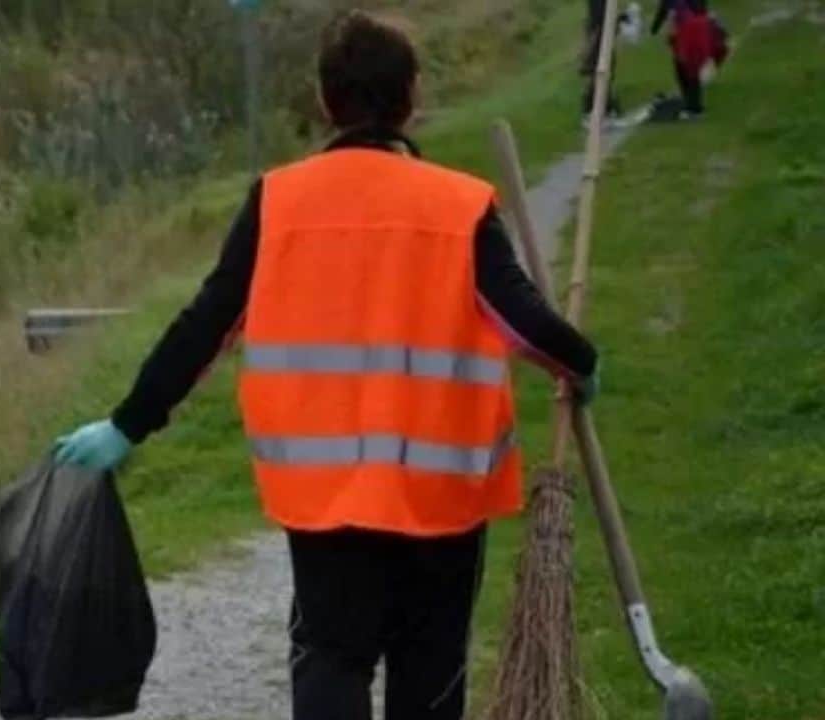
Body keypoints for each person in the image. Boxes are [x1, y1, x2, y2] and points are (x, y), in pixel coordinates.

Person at [55, 11, 599, 720]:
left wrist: (128, 426)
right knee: (429, 670)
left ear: (324, 100)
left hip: (326, 498)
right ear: (412, 97)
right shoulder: (459, 206)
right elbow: (526, 322)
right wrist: (580, 365)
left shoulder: (278, 202)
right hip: (442, 498)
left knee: (333, 659)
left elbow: (205, 326)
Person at [652, 0, 714, 117]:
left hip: (688, 28)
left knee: (686, 70)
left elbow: (665, 11)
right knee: (689, 69)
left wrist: (656, 28)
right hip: (696, 26)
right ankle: (692, 104)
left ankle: (694, 107)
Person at [582, 0, 624, 121]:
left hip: (603, 32)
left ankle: (603, 106)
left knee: (605, 70)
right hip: (600, 34)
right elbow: (598, 18)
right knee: (599, 70)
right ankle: (594, 108)